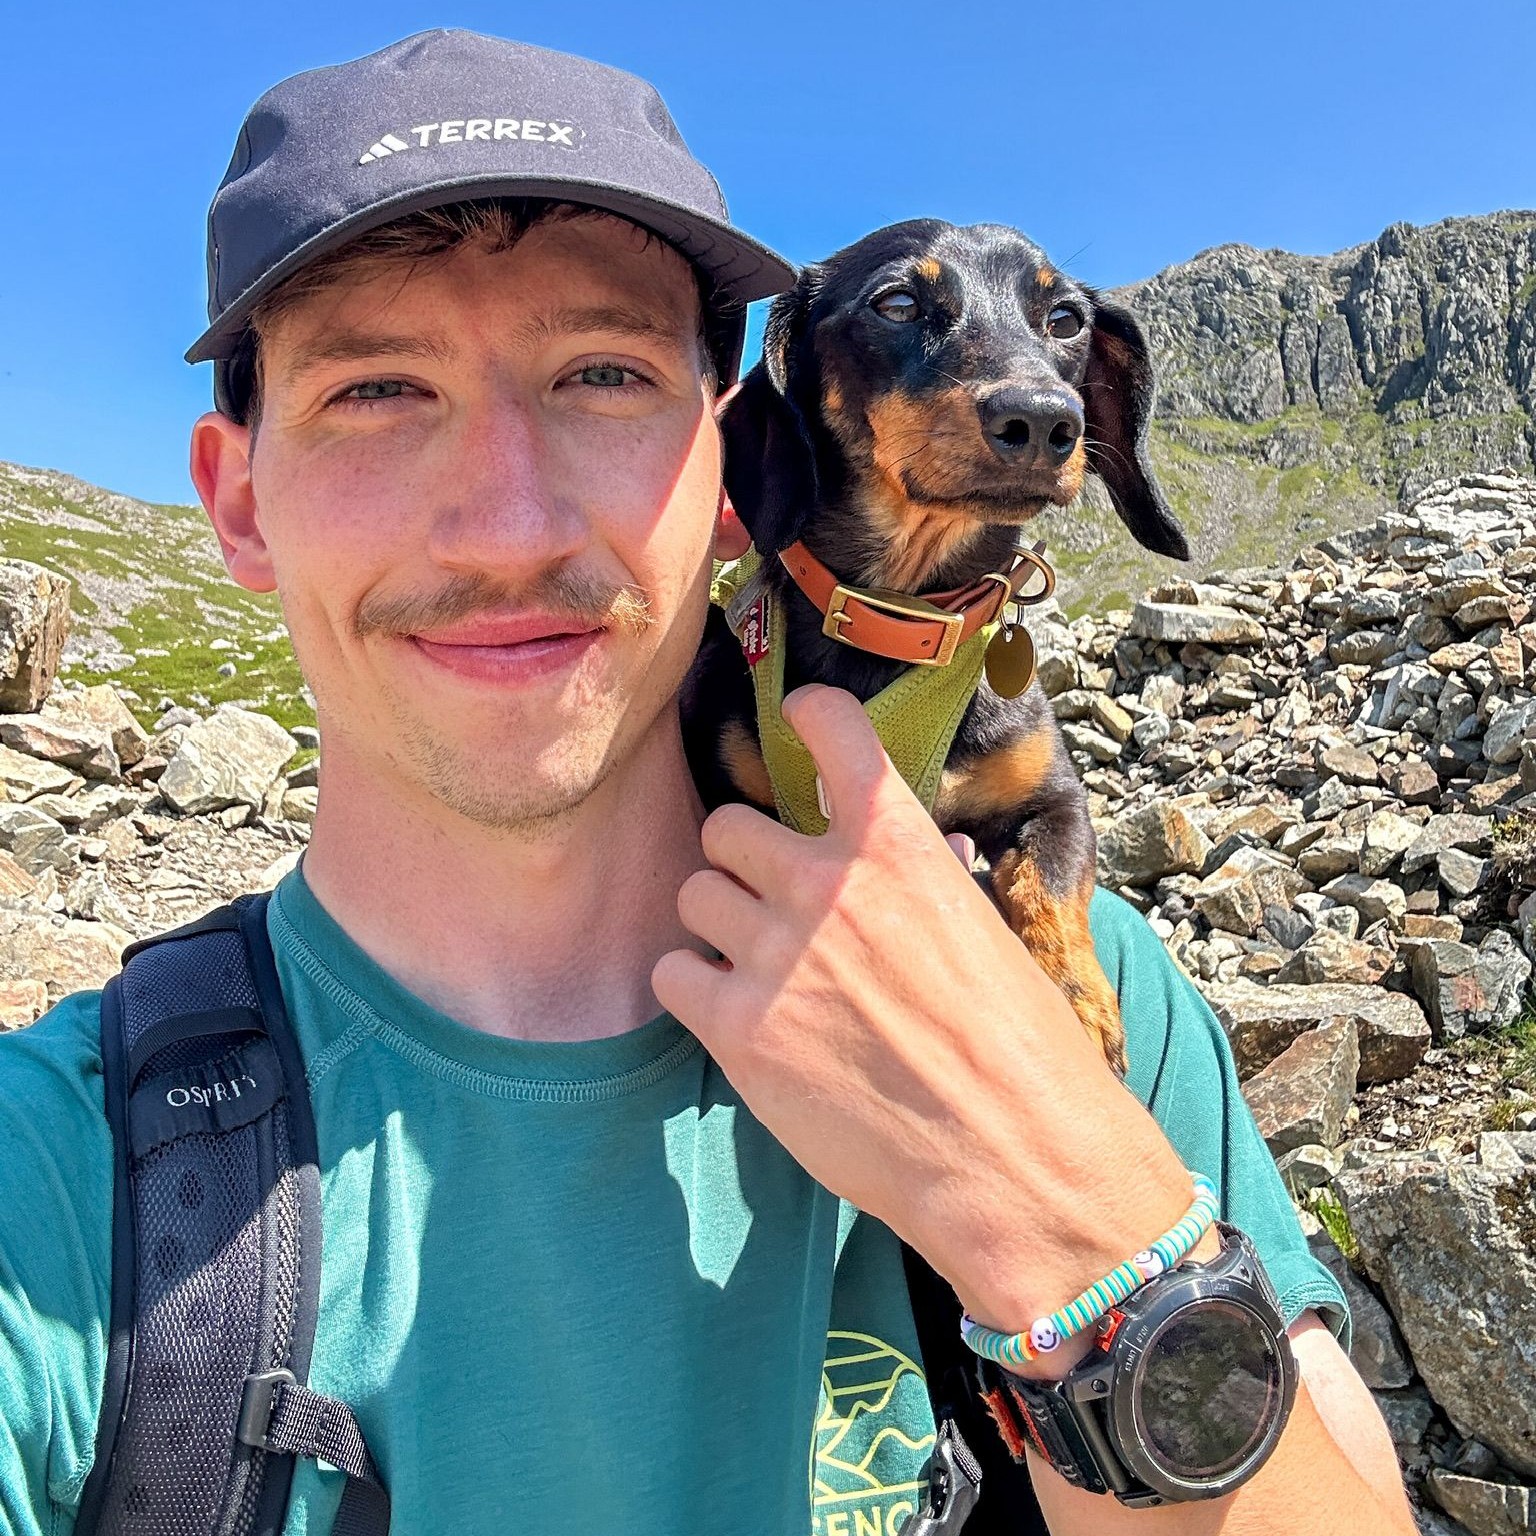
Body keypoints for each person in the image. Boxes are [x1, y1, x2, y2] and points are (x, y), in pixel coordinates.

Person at [0, 28, 1415, 1536]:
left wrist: (1069, 1218)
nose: (508, 527)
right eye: (378, 390)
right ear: (237, 503)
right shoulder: (62, 1181)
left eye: (603, 375)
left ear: (730, 469)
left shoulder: (1063, 987)